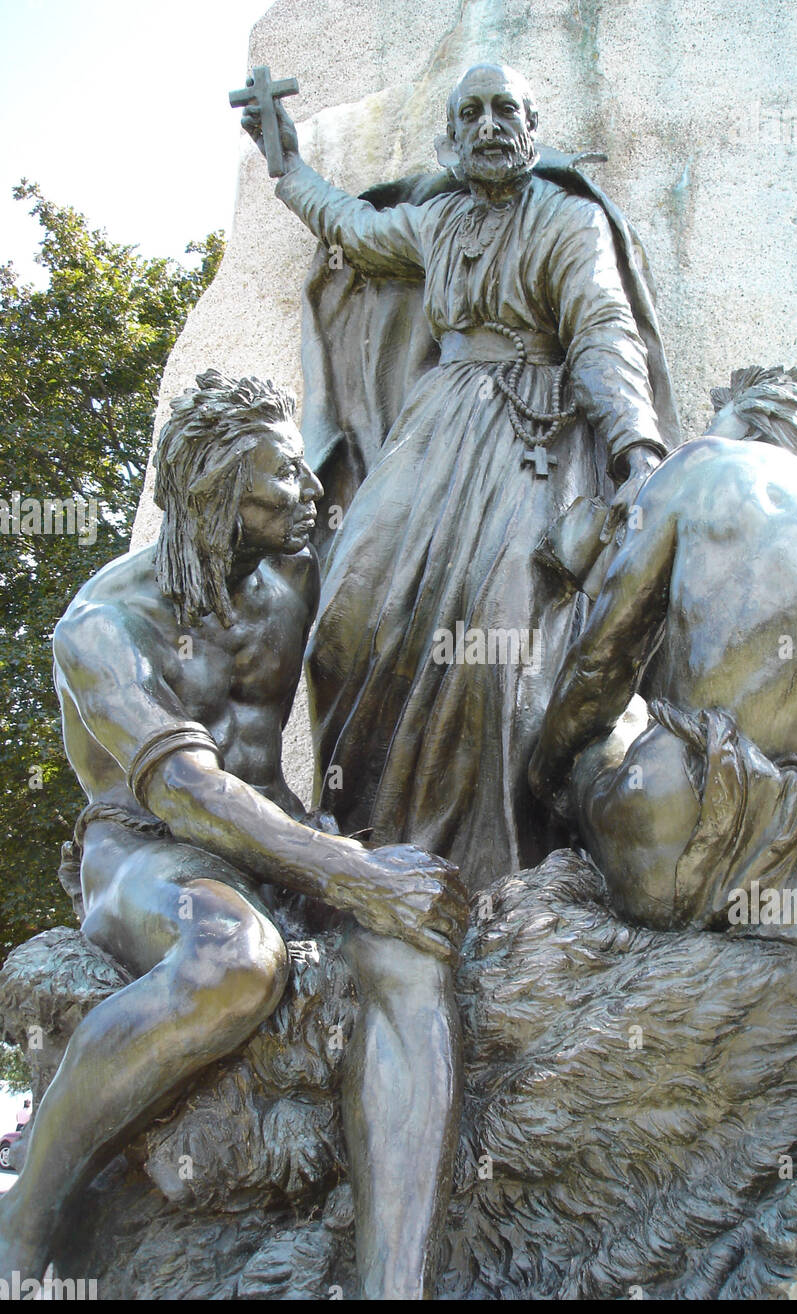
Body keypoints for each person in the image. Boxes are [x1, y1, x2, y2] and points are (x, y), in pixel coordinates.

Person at [0, 370, 468, 1301]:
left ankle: (394, 1287)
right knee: (234, 958)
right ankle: (24, 1222)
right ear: (216, 492)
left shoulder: (293, 577)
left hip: (272, 831)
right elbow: (182, 790)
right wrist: (352, 873)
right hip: (141, 847)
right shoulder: (103, 625)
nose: (309, 498)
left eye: (304, 475)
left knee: (412, 956)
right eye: (283, 481)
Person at [243, 62, 681, 891]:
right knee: (347, 616)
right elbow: (353, 231)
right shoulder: (435, 221)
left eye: (504, 109)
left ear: (531, 126)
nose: (488, 125)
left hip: (532, 438)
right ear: (450, 137)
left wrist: (636, 454)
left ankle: (503, 872)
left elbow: (601, 330)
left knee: (506, 643)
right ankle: (364, 851)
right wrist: (285, 167)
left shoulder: (565, 218)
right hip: (434, 427)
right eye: (471, 112)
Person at [529, 365, 797, 950]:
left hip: (680, 851)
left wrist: (545, 775)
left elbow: (600, 668)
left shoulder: (705, 466)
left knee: (626, 724)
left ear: (750, 421)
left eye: (718, 420)